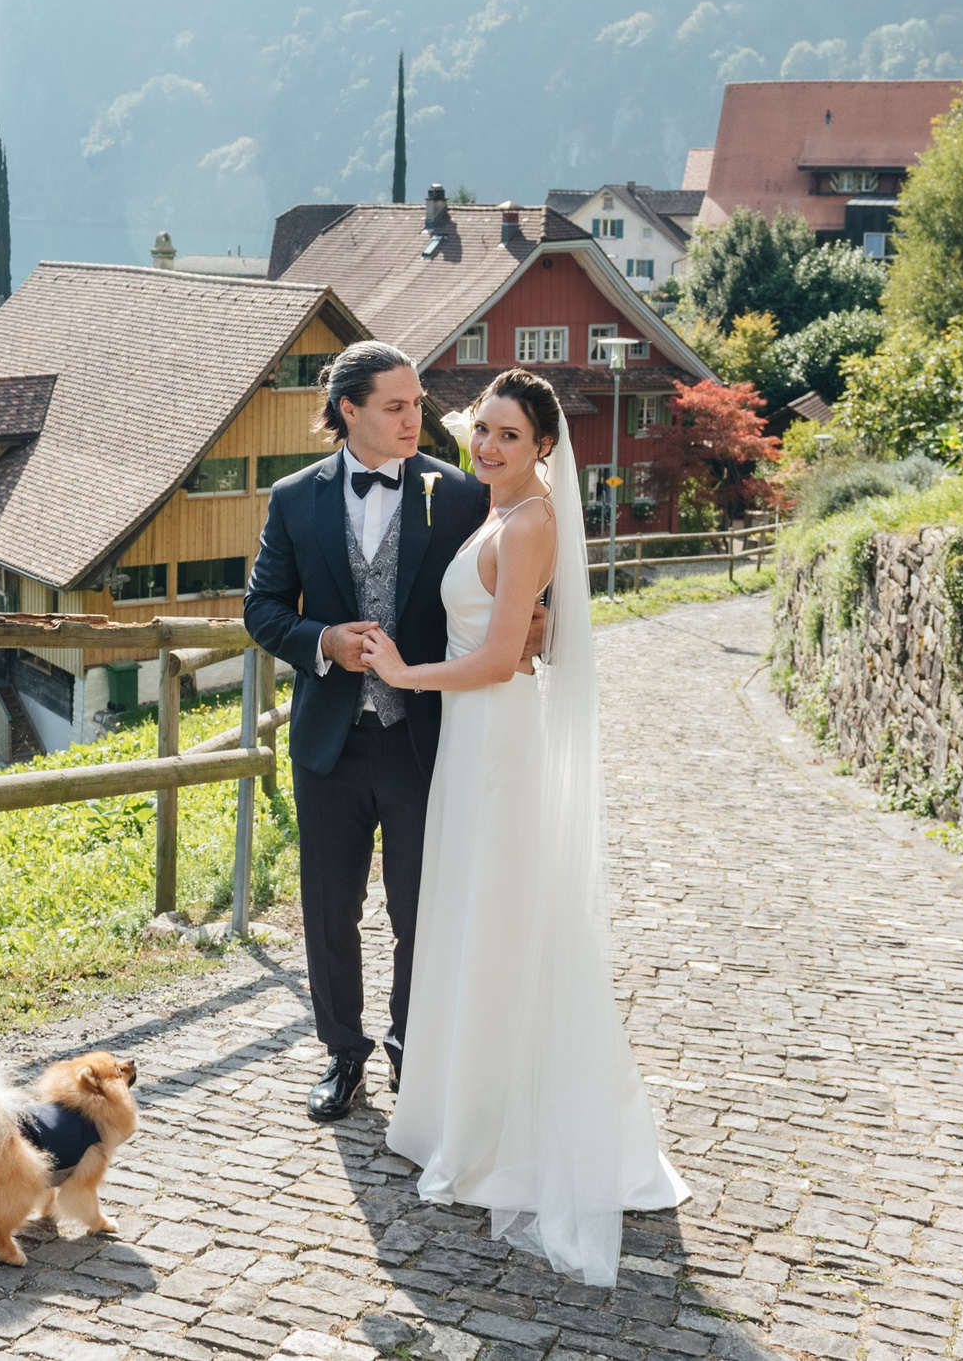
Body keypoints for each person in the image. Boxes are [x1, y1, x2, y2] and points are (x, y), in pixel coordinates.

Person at [361, 367, 687, 1287]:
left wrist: (405, 672)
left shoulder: (531, 521)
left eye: (509, 434)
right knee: (476, 917)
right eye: (484, 428)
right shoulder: (498, 510)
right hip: (473, 744)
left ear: (546, 445)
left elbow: (502, 658)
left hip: (497, 741)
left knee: (501, 919)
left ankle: (496, 1127)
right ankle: (459, 1109)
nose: (488, 445)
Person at [242, 341, 542, 1123]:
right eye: (396, 406)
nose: (417, 419)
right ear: (350, 410)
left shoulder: (461, 493)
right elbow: (261, 609)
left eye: (418, 403)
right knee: (327, 910)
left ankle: (414, 1043)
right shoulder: (294, 498)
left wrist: (536, 624)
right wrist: (321, 641)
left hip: (426, 740)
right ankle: (344, 1052)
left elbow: (517, 568)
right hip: (329, 744)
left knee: (422, 910)